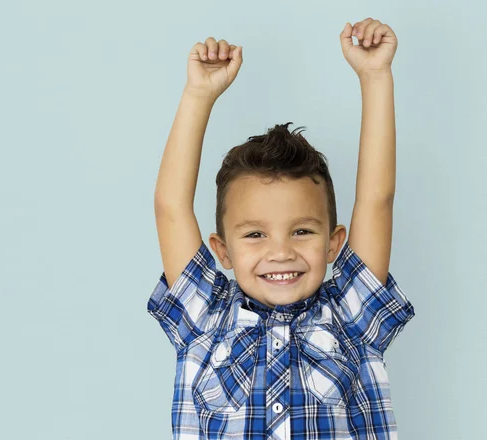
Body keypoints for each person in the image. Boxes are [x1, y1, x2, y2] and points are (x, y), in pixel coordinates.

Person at [148, 17, 415, 440]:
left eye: (302, 232)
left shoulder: (350, 317)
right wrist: (199, 94)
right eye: (255, 234)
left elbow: (376, 199)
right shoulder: (205, 319)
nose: (281, 252)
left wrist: (375, 75)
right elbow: (171, 207)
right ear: (222, 250)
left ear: (333, 243)